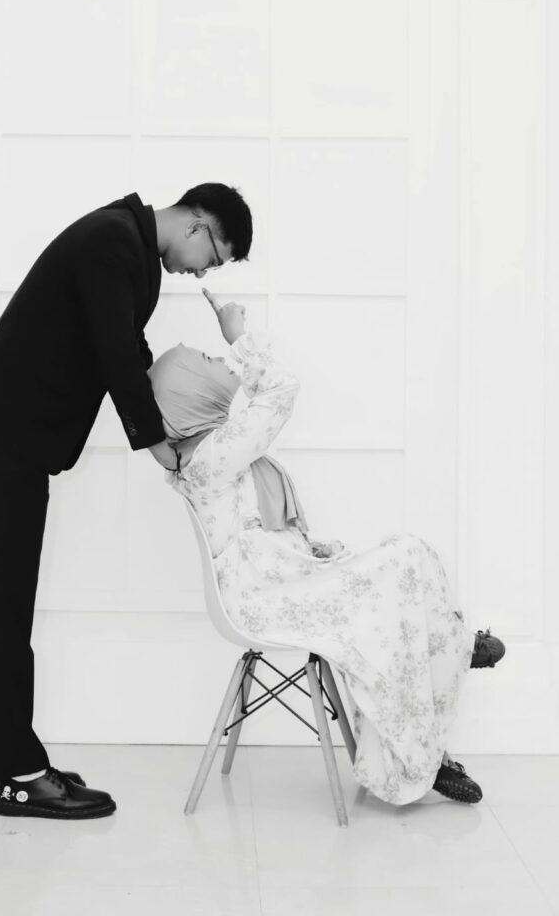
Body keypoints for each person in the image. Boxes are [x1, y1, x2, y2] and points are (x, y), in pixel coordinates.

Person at [0, 185, 253, 819]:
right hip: (1, 430)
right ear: (197, 225)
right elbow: (116, 355)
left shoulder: (127, 245)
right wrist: (160, 446)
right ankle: (22, 774)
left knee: (2, 600)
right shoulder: (113, 242)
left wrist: (170, 426)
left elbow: (129, 351)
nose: (203, 273)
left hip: (5, 431)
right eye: (213, 258)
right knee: (6, 603)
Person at [148, 287, 506, 807]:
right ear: (190, 393)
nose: (218, 358)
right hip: (265, 603)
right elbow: (281, 391)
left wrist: (312, 551)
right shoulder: (210, 459)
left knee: (408, 566)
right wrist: (239, 337)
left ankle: (435, 708)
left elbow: (259, 535)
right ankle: (448, 655)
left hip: (287, 585)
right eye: (205, 359)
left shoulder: (214, 456)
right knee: (405, 556)